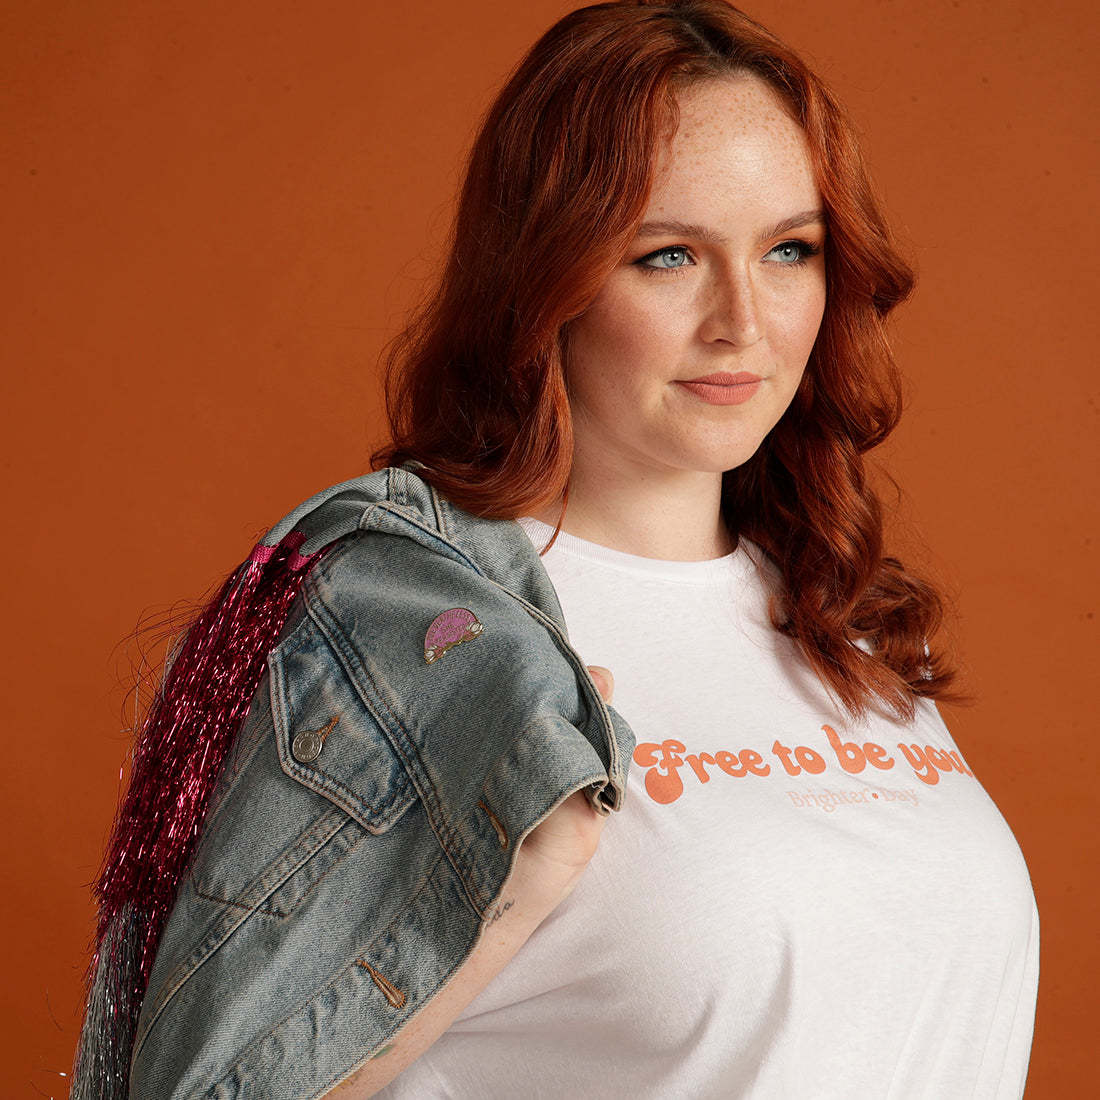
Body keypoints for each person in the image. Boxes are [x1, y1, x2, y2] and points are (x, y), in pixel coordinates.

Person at [73, 2, 1039, 1097]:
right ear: (548, 276)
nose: (742, 319)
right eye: (665, 254)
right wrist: (515, 890)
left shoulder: (839, 615)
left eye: (788, 249)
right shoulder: (414, 632)